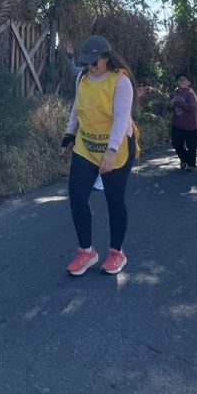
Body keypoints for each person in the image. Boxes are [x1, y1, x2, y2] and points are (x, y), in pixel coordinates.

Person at [59, 34, 140, 276]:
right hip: (86, 145)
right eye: (86, 63)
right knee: (77, 197)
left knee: (114, 200)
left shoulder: (120, 82)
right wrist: (69, 135)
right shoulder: (82, 78)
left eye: (94, 62)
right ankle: (86, 251)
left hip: (116, 147)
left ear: (106, 58)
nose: (90, 67)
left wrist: (111, 151)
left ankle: (117, 252)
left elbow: (121, 119)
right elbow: (77, 108)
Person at [169, 73, 197, 171]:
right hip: (177, 124)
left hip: (190, 125)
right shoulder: (173, 93)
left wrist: (178, 103)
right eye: (179, 80)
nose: (182, 81)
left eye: (184, 80)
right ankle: (184, 159)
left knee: (191, 146)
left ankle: (191, 164)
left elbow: (192, 107)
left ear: (188, 82)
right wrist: (170, 105)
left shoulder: (190, 93)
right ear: (176, 82)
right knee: (176, 144)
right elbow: (169, 108)